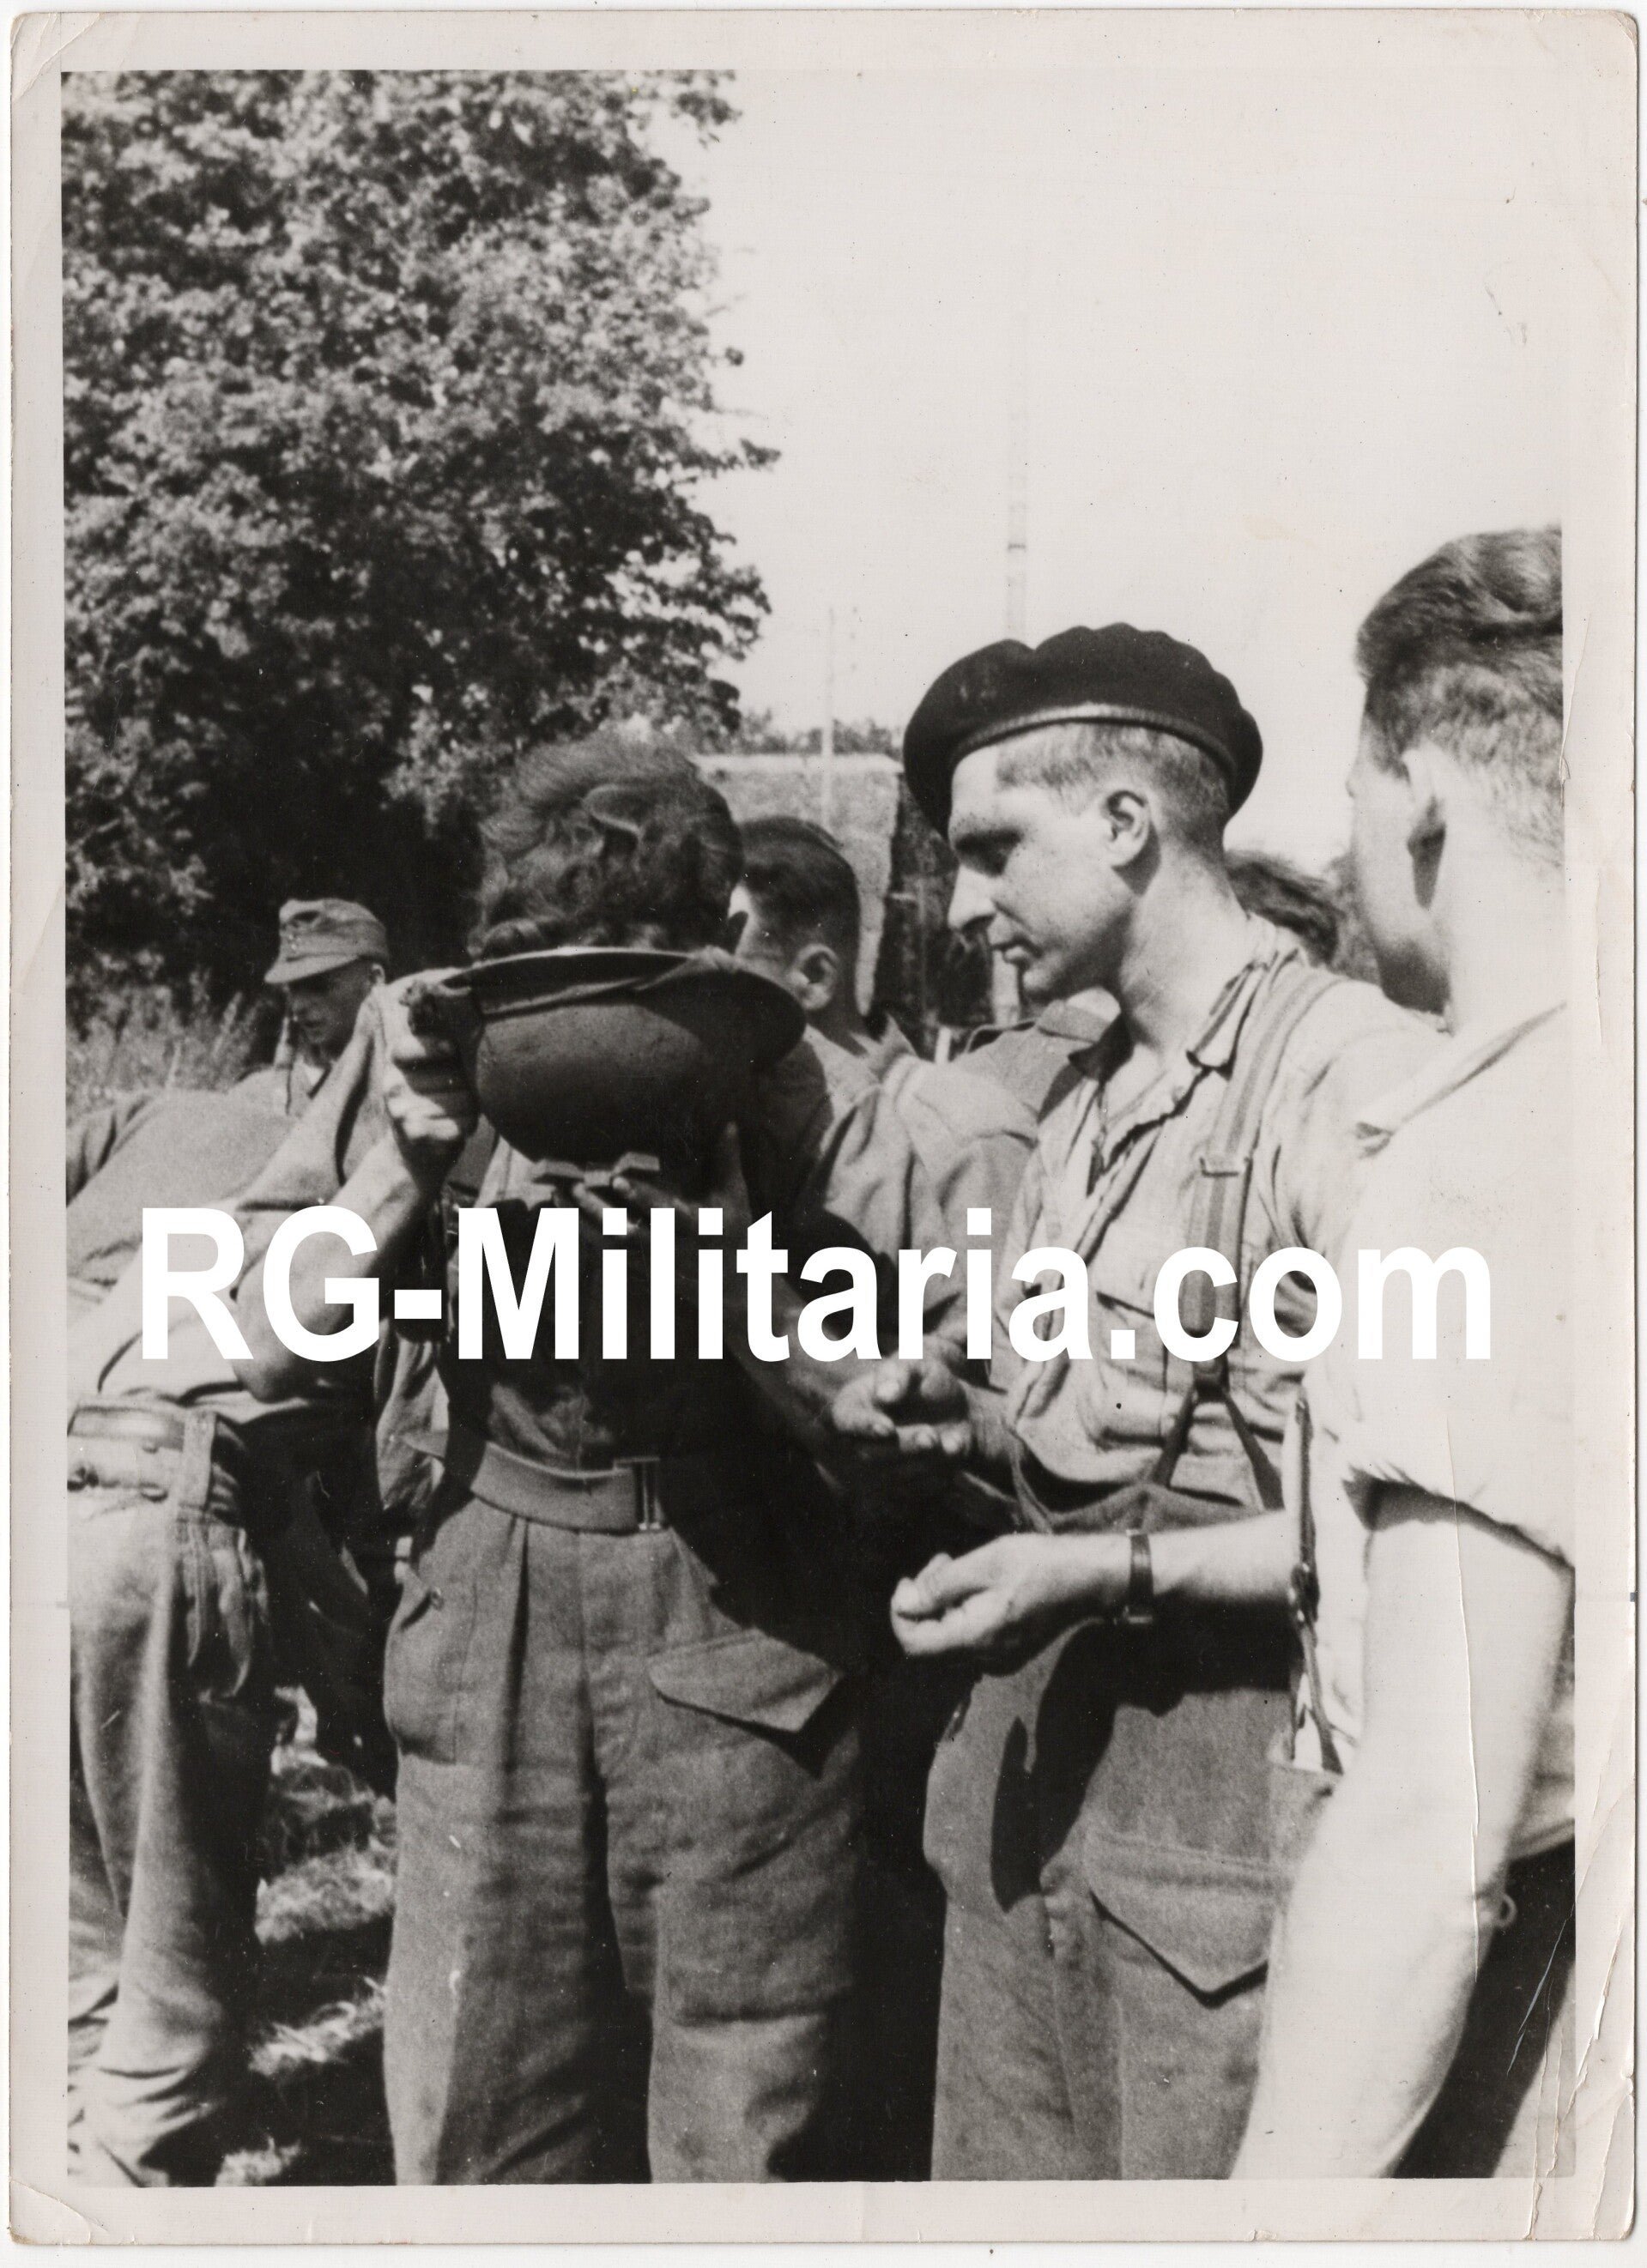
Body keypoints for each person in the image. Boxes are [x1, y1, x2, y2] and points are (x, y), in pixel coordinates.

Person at [830, 623, 1437, 2179]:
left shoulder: (1344, 1084)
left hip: (1220, 1836)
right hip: (1027, 1802)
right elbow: (1061, 1415)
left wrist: (1100, 1568)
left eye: (988, 850)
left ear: (1124, 823)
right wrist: (943, 1414)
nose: (960, 905)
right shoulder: (1085, 1102)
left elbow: (1400, 1532)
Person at [234, 740, 865, 2186]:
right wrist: (401, 1159)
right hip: (489, 1611)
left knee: (742, 2126)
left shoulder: (800, 1086)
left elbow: (882, 1411)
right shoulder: (417, 1051)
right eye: (549, 979)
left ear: (726, 951)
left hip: (741, 1611)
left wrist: (748, 1206)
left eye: (637, 983)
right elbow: (264, 1345)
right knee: (481, 2127)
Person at [1234, 529, 1573, 2177]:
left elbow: (1436, 1824)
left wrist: (1270, 2207)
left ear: (1422, 788)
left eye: (1354, 792)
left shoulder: (1481, 1153)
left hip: (1539, 2022)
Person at [733, 812, 1037, 2177]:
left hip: (914, 1614)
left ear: (804, 976)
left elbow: (1013, 1413)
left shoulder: (956, 1136)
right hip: (766, 1627)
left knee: (897, 1954)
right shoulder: (730, 1137)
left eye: (717, 948)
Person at [66, 1119, 373, 2186]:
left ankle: (79, 2179)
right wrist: (358, 1704)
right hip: (166, 1508)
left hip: (50, 1502)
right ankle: (132, 2206)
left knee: (84, 1944)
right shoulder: (369, 1230)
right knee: (179, 1974)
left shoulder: (195, 1199)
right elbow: (328, 1512)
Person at [238, 898, 389, 1116]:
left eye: (320, 987)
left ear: (374, 981)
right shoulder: (255, 1099)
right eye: (293, 989)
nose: (298, 1005)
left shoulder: (410, 1092)